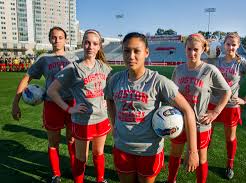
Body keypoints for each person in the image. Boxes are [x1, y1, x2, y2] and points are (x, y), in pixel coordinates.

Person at [105, 32, 199, 183]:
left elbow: (188, 110)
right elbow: (109, 99)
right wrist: (114, 123)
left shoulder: (158, 82)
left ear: (147, 53)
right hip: (122, 147)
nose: (131, 56)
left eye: (137, 51)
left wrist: (192, 150)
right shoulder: (115, 79)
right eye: (127, 51)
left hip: (149, 151)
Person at [11, 26, 78, 183]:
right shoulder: (43, 59)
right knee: (53, 141)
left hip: (72, 103)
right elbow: (27, 78)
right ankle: (56, 174)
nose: (57, 40)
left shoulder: (74, 58)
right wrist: (15, 103)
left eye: (60, 37)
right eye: (54, 37)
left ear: (66, 39)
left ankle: (76, 171)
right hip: (52, 104)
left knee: (72, 139)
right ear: (49, 39)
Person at [47, 29, 111, 183]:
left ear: (99, 47)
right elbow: (51, 91)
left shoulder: (103, 66)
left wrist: (106, 101)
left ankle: (100, 179)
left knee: (99, 152)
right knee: (82, 157)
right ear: (82, 44)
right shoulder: (73, 68)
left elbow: (107, 88)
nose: (90, 46)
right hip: (82, 121)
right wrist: (69, 109)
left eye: (94, 43)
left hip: (101, 118)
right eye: (87, 42)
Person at [167, 33, 232, 183]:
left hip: (200, 125)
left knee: (201, 159)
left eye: (196, 49)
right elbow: (172, 94)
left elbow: (226, 91)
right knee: (175, 154)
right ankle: (171, 180)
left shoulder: (209, 70)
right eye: (189, 49)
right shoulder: (178, 69)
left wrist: (215, 112)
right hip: (179, 122)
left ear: (203, 49)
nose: (192, 53)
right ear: (185, 49)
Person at [208, 32, 246, 179]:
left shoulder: (242, 63)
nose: (230, 47)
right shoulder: (216, 61)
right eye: (228, 44)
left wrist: (245, 99)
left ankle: (229, 165)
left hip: (231, 106)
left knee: (230, 138)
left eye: (234, 44)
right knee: (207, 134)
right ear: (224, 45)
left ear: (238, 46)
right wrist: (208, 45)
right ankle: (202, 160)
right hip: (213, 103)